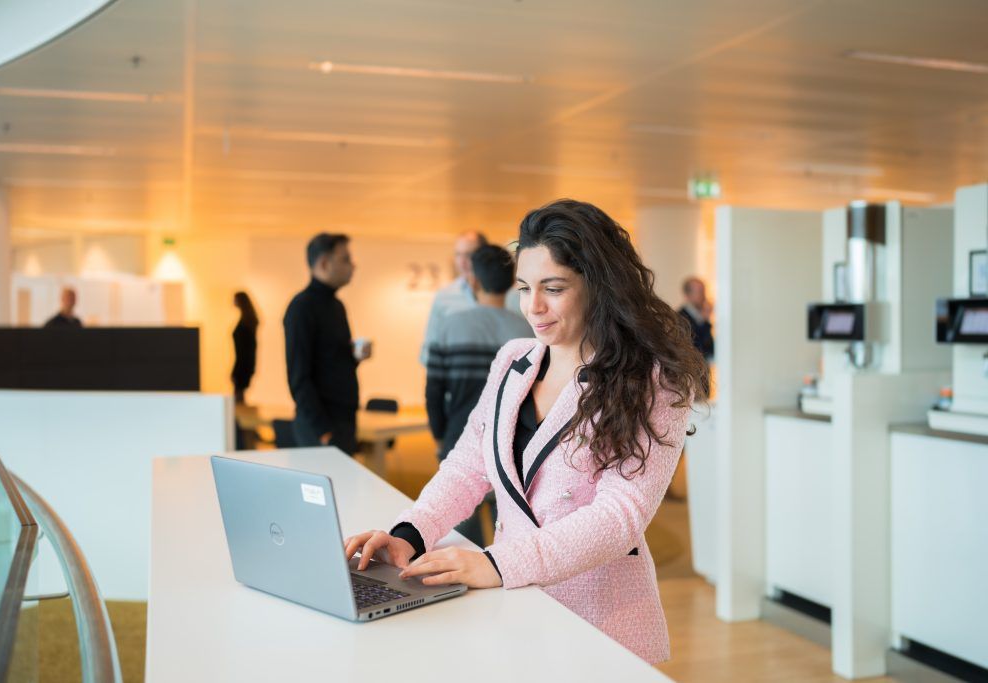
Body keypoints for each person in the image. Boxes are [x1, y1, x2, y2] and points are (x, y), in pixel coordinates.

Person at [344, 199, 707, 664]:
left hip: (600, 623)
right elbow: (468, 465)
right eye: (524, 288)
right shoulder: (513, 360)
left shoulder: (654, 381)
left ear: (599, 287)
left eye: (553, 289)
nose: (533, 308)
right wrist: (412, 532)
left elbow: (620, 517)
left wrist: (496, 564)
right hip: (513, 608)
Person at [425, 244, 532, 544]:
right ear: (513, 281)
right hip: (517, 441)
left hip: (459, 434)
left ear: (473, 279)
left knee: (460, 524)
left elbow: (434, 390)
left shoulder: (450, 326)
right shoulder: (527, 329)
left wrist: (438, 435)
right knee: (514, 523)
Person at [283, 233, 371, 454]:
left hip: (343, 419)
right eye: (345, 259)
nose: (353, 265)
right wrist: (323, 431)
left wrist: (354, 357)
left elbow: (334, 363)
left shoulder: (337, 306)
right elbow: (299, 377)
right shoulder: (301, 308)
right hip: (321, 425)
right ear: (323, 263)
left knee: (344, 488)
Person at [419, 230, 487, 365]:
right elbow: (429, 346)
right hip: (455, 377)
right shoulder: (444, 296)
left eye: (469, 255)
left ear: (484, 255)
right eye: (458, 255)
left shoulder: (503, 295)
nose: (462, 262)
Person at [231, 291, 258, 404]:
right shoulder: (248, 321)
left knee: (238, 399)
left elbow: (245, 350)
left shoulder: (246, 324)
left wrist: (237, 369)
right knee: (239, 398)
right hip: (244, 364)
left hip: (242, 365)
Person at [678, 276, 714, 360]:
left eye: (704, 291)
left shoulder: (701, 316)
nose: (704, 296)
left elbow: (710, 349)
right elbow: (697, 347)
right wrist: (705, 323)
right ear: (688, 295)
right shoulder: (680, 318)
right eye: (700, 292)